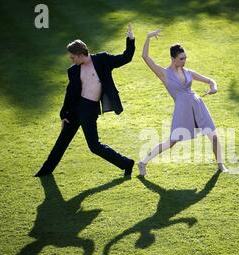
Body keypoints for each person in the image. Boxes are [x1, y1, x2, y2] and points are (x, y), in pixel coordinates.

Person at [34, 23, 136, 178]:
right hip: (75, 109)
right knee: (62, 141)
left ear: (81, 54)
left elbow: (126, 57)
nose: (71, 59)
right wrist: (64, 115)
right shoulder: (73, 71)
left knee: (94, 146)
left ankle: (126, 163)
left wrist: (131, 40)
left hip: (89, 110)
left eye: (72, 56)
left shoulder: (102, 60)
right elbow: (69, 94)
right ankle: (44, 172)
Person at [138, 29, 228, 176]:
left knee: (214, 136)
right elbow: (145, 56)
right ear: (173, 59)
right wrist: (148, 37)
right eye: (181, 59)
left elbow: (210, 81)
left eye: (185, 58)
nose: (184, 61)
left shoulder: (188, 72)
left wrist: (214, 88)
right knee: (172, 142)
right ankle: (143, 162)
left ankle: (221, 165)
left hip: (198, 105)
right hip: (182, 110)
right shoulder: (164, 74)